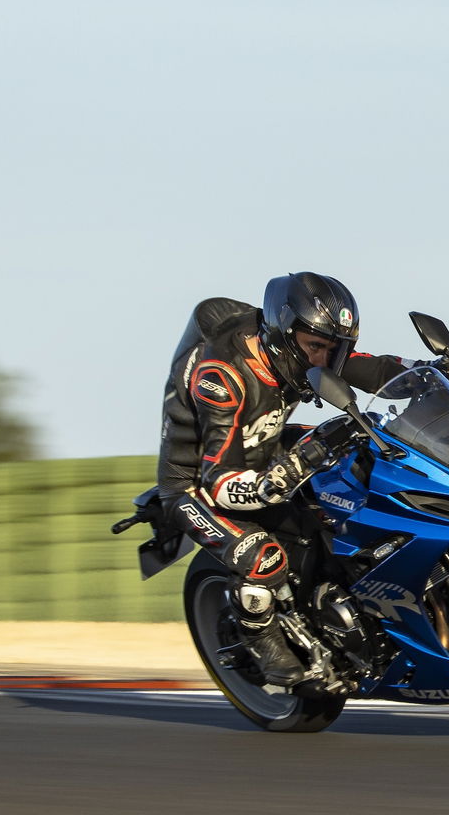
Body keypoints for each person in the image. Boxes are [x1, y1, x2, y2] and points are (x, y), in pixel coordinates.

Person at [158, 272, 418, 686]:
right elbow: (219, 481)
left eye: (334, 350)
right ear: (282, 335)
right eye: (316, 348)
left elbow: (370, 367)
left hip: (268, 448)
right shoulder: (221, 378)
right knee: (263, 559)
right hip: (197, 486)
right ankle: (262, 642)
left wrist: (426, 374)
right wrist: (280, 478)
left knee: (353, 478)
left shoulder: (305, 345)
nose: (323, 361)